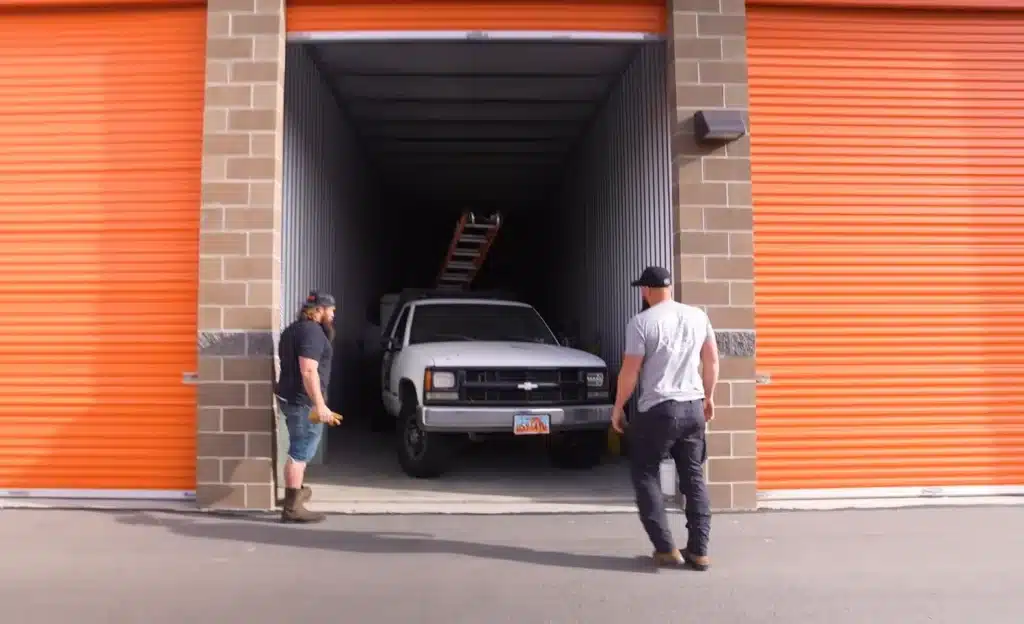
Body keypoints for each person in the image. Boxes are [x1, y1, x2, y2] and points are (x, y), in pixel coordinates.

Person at [611, 266, 720, 570]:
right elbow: (711, 360)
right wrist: (708, 397)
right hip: (693, 407)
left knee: (645, 473)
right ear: (669, 288)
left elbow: (630, 371)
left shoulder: (641, 322)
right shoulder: (698, 316)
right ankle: (699, 550)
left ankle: (665, 548)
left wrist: (618, 407)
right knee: (693, 477)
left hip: (658, 410)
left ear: (645, 290)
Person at [275, 290, 342, 524]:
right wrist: (320, 405)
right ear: (320, 310)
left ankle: (296, 492)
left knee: (299, 447)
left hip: (291, 398)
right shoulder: (312, 332)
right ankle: (292, 508)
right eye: (331, 310)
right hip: (303, 402)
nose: (333, 314)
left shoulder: (292, 330)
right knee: (300, 451)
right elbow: (308, 370)